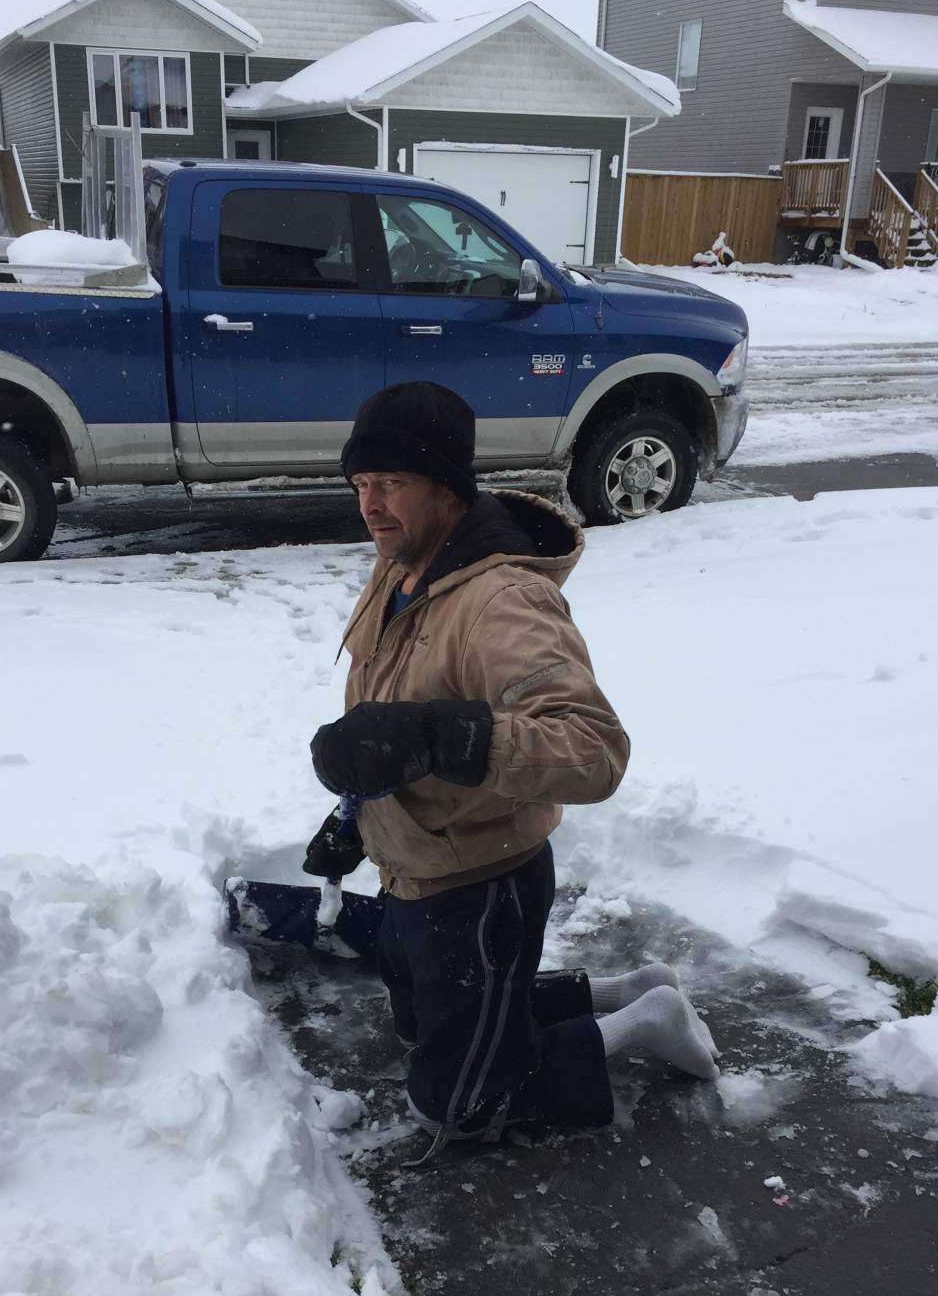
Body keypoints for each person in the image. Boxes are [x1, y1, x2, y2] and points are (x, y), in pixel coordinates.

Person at [305, 382, 717, 1154]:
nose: (371, 504)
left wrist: (441, 736)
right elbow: (391, 721)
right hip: (413, 863)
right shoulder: (400, 569)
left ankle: (643, 1024)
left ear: (447, 486)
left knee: (457, 1102)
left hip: (480, 883)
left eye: (392, 482)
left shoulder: (502, 602)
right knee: (419, 1024)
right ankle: (621, 989)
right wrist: (355, 820)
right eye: (362, 484)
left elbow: (594, 751)